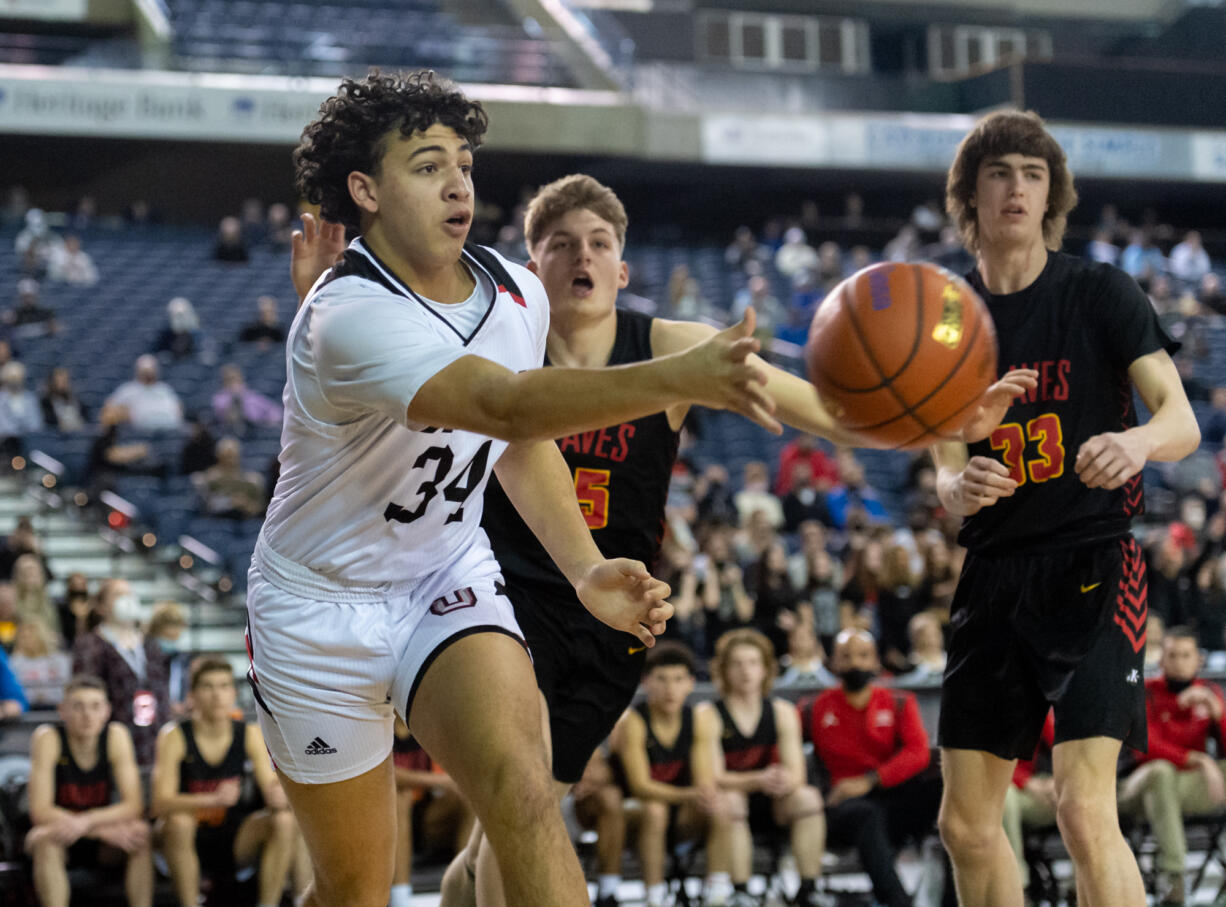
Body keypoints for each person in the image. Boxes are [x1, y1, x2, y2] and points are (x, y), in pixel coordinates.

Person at [291, 166, 1031, 907]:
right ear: (531, 266)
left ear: (622, 268)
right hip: (503, 596)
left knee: (507, 834)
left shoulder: (672, 343)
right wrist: (323, 304)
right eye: (560, 245)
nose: (581, 258)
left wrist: (933, 419)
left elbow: (814, 407)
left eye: (599, 243)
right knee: (524, 806)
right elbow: (383, 370)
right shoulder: (496, 335)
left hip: (616, 613)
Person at [257, 69, 787, 907]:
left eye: (464, 162)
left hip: (442, 574)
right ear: (364, 188)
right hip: (320, 605)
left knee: (527, 788)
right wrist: (676, 375)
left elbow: (517, 441)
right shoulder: (345, 313)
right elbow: (503, 402)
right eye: (428, 165)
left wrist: (582, 567)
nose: (459, 182)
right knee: (354, 888)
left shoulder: (514, 288)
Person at [932, 109, 1201, 907]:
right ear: (969, 195)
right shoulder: (944, 316)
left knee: (1084, 807)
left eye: (1033, 173)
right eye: (999, 173)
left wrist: (1141, 443)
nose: (1017, 187)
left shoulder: (1099, 292)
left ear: (1052, 194)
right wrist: (957, 487)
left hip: (1092, 561)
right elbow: (942, 463)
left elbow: (1181, 420)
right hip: (994, 572)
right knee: (965, 823)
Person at [806, 629, 945, 907]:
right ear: (832, 663)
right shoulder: (814, 708)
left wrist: (871, 780)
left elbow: (917, 753)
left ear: (876, 662)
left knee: (946, 788)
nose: (855, 663)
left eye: (863, 655)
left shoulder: (899, 702)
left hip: (890, 797)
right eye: (845, 656)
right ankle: (897, 902)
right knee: (866, 813)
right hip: (843, 805)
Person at [152, 656, 304, 907]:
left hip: (235, 835)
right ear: (192, 695)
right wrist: (211, 799)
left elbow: (269, 787)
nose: (217, 695)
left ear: (233, 692)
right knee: (178, 822)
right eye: (208, 687)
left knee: (285, 821)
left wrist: (279, 795)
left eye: (224, 686)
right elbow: (159, 804)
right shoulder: (174, 736)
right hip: (186, 837)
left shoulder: (249, 732)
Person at [694, 628, 826, 907]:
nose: (746, 671)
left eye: (753, 663)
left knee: (807, 797)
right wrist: (760, 778)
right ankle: (741, 891)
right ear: (724, 670)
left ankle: (809, 888)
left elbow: (797, 774)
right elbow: (710, 778)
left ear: (766, 669)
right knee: (731, 800)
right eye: (737, 664)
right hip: (727, 808)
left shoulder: (782, 711)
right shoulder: (708, 714)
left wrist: (781, 780)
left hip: (772, 801)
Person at [1117, 627, 1226, 906]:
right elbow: (1146, 749)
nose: (1179, 661)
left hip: (1184, 789)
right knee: (1162, 773)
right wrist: (1199, 760)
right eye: (1172, 655)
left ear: (1198, 660)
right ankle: (1173, 876)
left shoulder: (1209, 693)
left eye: (1186, 655)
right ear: (1160, 660)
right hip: (1136, 788)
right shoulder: (1144, 693)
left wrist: (1219, 715)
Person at [24, 674, 154, 907]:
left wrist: (86, 823)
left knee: (140, 834)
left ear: (107, 711)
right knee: (42, 838)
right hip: (62, 834)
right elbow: (40, 811)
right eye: (78, 707)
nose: (87, 716)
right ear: (62, 711)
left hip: (103, 838)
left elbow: (134, 806)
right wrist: (94, 829)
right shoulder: (48, 738)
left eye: (95, 707)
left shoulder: (116, 736)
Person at [606, 642, 714, 907]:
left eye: (678, 680)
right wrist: (690, 794)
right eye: (662, 680)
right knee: (655, 809)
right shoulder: (632, 721)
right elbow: (641, 786)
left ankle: (721, 891)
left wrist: (703, 795)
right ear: (646, 682)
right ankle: (655, 898)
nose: (670, 689)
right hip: (632, 812)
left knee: (722, 804)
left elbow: (703, 781)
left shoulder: (698, 719)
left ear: (690, 683)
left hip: (679, 809)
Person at [72, 578, 171, 767]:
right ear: (101, 607)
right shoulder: (90, 645)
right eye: (118, 594)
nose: (126, 599)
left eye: (129, 593)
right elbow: (86, 692)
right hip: (114, 737)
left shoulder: (151, 645)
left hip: (154, 736)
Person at [105, 355, 185, 433]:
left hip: (169, 432)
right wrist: (125, 414)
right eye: (145, 371)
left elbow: (179, 408)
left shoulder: (164, 389)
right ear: (138, 371)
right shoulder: (128, 389)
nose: (148, 373)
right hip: (139, 434)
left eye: (151, 370)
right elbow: (109, 410)